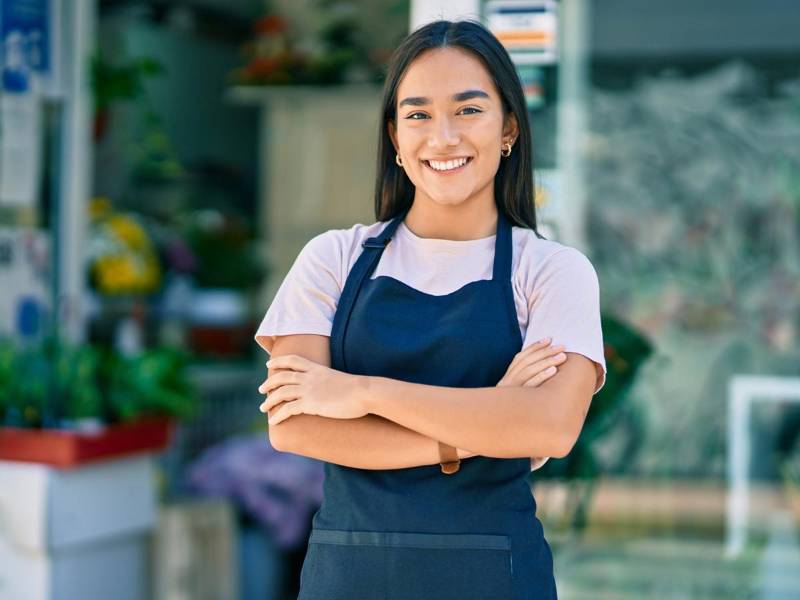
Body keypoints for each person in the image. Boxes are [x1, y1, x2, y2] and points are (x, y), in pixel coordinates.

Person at [254, 18, 606, 600]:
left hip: (494, 579)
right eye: (417, 115)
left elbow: (550, 426)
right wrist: (483, 428)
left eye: (468, 110)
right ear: (395, 137)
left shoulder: (552, 270)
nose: (443, 137)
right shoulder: (333, 258)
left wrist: (361, 393)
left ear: (509, 128)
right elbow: (295, 426)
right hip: (348, 579)